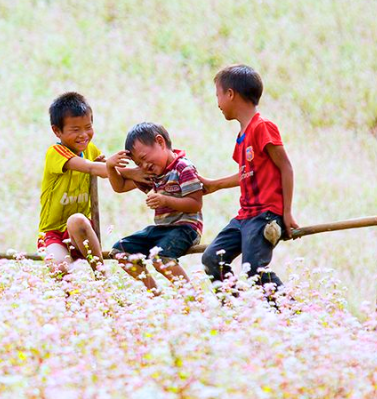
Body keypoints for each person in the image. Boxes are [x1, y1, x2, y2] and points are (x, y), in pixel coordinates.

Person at [200, 64, 299, 292]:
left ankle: (290, 314)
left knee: (254, 270)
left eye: (218, 95)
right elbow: (247, 174)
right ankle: (237, 313)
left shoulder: (263, 127)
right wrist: (214, 185)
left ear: (231, 94)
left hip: (265, 215)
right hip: (245, 216)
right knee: (212, 258)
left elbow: (286, 167)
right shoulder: (242, 137)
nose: (217, 103)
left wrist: (286, 212)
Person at [105, 123, 203, 293]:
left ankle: (192, 297)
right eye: (138, 163)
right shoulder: (154, 174)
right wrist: (110, 167)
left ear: (160, 142)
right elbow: (119, 186)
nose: (143, 166)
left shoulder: (183, 167)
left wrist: (165, 200)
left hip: (186, 228)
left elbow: (195, 203)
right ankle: (155, 294)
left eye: (144, 157)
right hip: (162, 230)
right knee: (119, 251)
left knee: (160, 258)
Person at [38, 92, 109, 274]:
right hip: (52, 233)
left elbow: (109, 173)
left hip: (80, 232)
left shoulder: (91, 150)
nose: (84, 135)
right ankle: (72, 301)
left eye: (88, 127)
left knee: (77, 220)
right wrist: (109, 167)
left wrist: (138, 175)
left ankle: (102, 278)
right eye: (75, 130)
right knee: (59, 267)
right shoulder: (55, 152)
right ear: (57, 131)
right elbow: (93, 168)